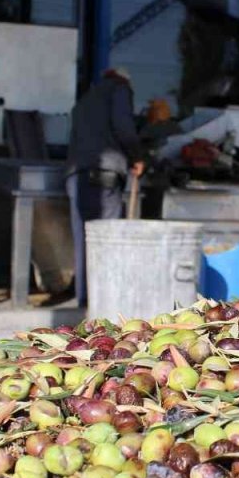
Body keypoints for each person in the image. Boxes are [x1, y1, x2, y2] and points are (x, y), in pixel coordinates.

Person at [66, 68, 146, 307]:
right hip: (104, 174)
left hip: (75, 176)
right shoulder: (119, 89)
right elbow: (123, 127)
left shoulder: (85, 100)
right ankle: (104, 300)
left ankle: (85, 300)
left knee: (83, 238)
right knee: (106, 237)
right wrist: (137, 156)